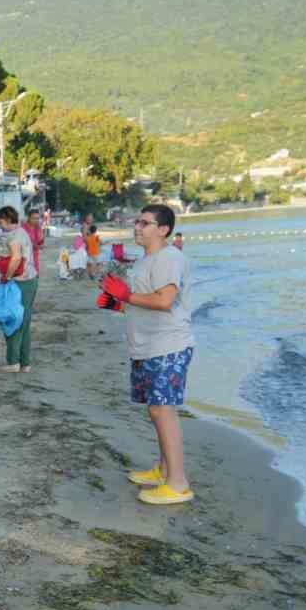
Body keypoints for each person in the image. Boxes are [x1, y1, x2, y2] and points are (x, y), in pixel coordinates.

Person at [99, 204, 195, 505]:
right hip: (146, 343)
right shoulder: (145, 260)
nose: (137, 227)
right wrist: (117, 303)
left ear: (163, 229)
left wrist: (126, 295)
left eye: (145, 223)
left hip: (168, 344)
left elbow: (165, 300)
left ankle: (178, 483)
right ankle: (164, 469)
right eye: (136, 222)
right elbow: (143, 301)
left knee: (161, 409)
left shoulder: (169, 258)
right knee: (155, 409)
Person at [0, 206, 37, 374]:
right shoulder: (22, 232)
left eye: (0, 222)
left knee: (13, 320)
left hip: (19, 282)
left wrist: (7, 276)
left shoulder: (14, 236)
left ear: (8, 220)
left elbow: (16, 258)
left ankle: (13, 362)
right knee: (24, 322)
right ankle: (25, 363)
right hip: (31, 281)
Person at [23, 207, 46, 278]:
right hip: (25, 259)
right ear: (28, 218)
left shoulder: (38, 227)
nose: (36, 220)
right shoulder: (23, 228)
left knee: (35, 278)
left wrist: (41, 243)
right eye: (34, 218)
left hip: (35, 258)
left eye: (37, 218)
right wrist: (37, 246)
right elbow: (24, 243)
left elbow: (41, 241)